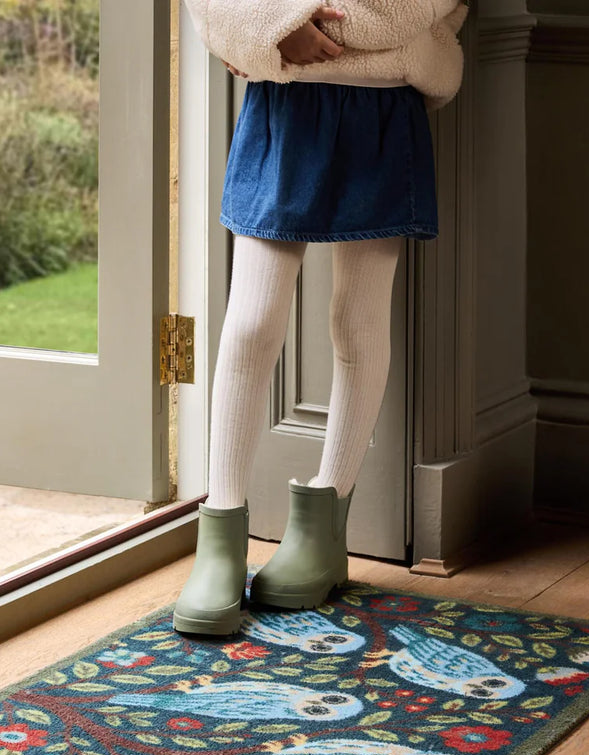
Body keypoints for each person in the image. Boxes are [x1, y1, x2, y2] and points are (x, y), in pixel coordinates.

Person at [174, 0, 469, 636]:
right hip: (285, 103)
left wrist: (298, 29)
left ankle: (325, 525)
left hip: (383, 109)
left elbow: (410, 10)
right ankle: (220, 533)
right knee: (252, 318)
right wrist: (276, 24)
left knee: (356, 317)